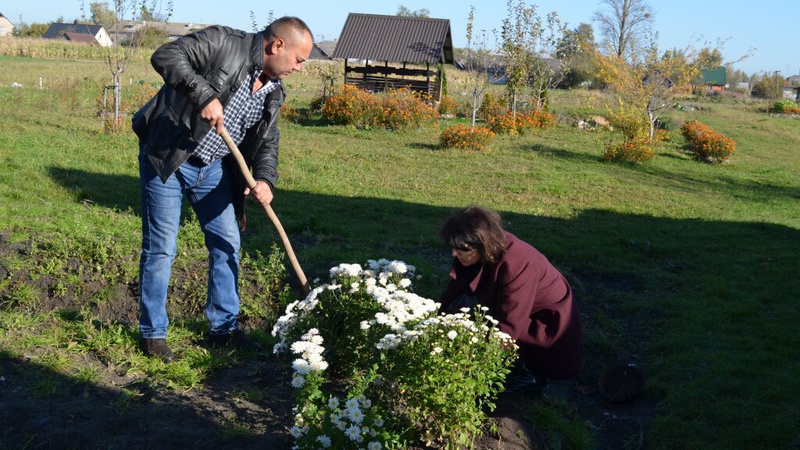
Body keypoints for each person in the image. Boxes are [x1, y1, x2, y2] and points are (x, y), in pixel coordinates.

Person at [131, 17, 314, 362]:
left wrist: (264, 179)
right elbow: (166, 55)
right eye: (299, 60)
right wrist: (202, 94)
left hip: (213, 170)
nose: (300, 68)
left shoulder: (275, 91)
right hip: (170, 156)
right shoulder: (223, 42)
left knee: (227, 242)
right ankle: (153, 334)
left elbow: (267, 142)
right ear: (277, 46)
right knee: (161, 249)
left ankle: (223, 328)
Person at [439, 205, 583, 395]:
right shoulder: (472, 248)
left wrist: (476, 369)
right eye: (453, 248)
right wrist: (435, 316)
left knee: (482, 325)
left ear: (482, 244)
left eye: (460, 249)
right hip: (513, 308)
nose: (454, 254)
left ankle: (524, 375)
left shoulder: (518, 265)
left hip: (546, 325)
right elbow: (456, 286)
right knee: (463, 310)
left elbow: (510, 325)